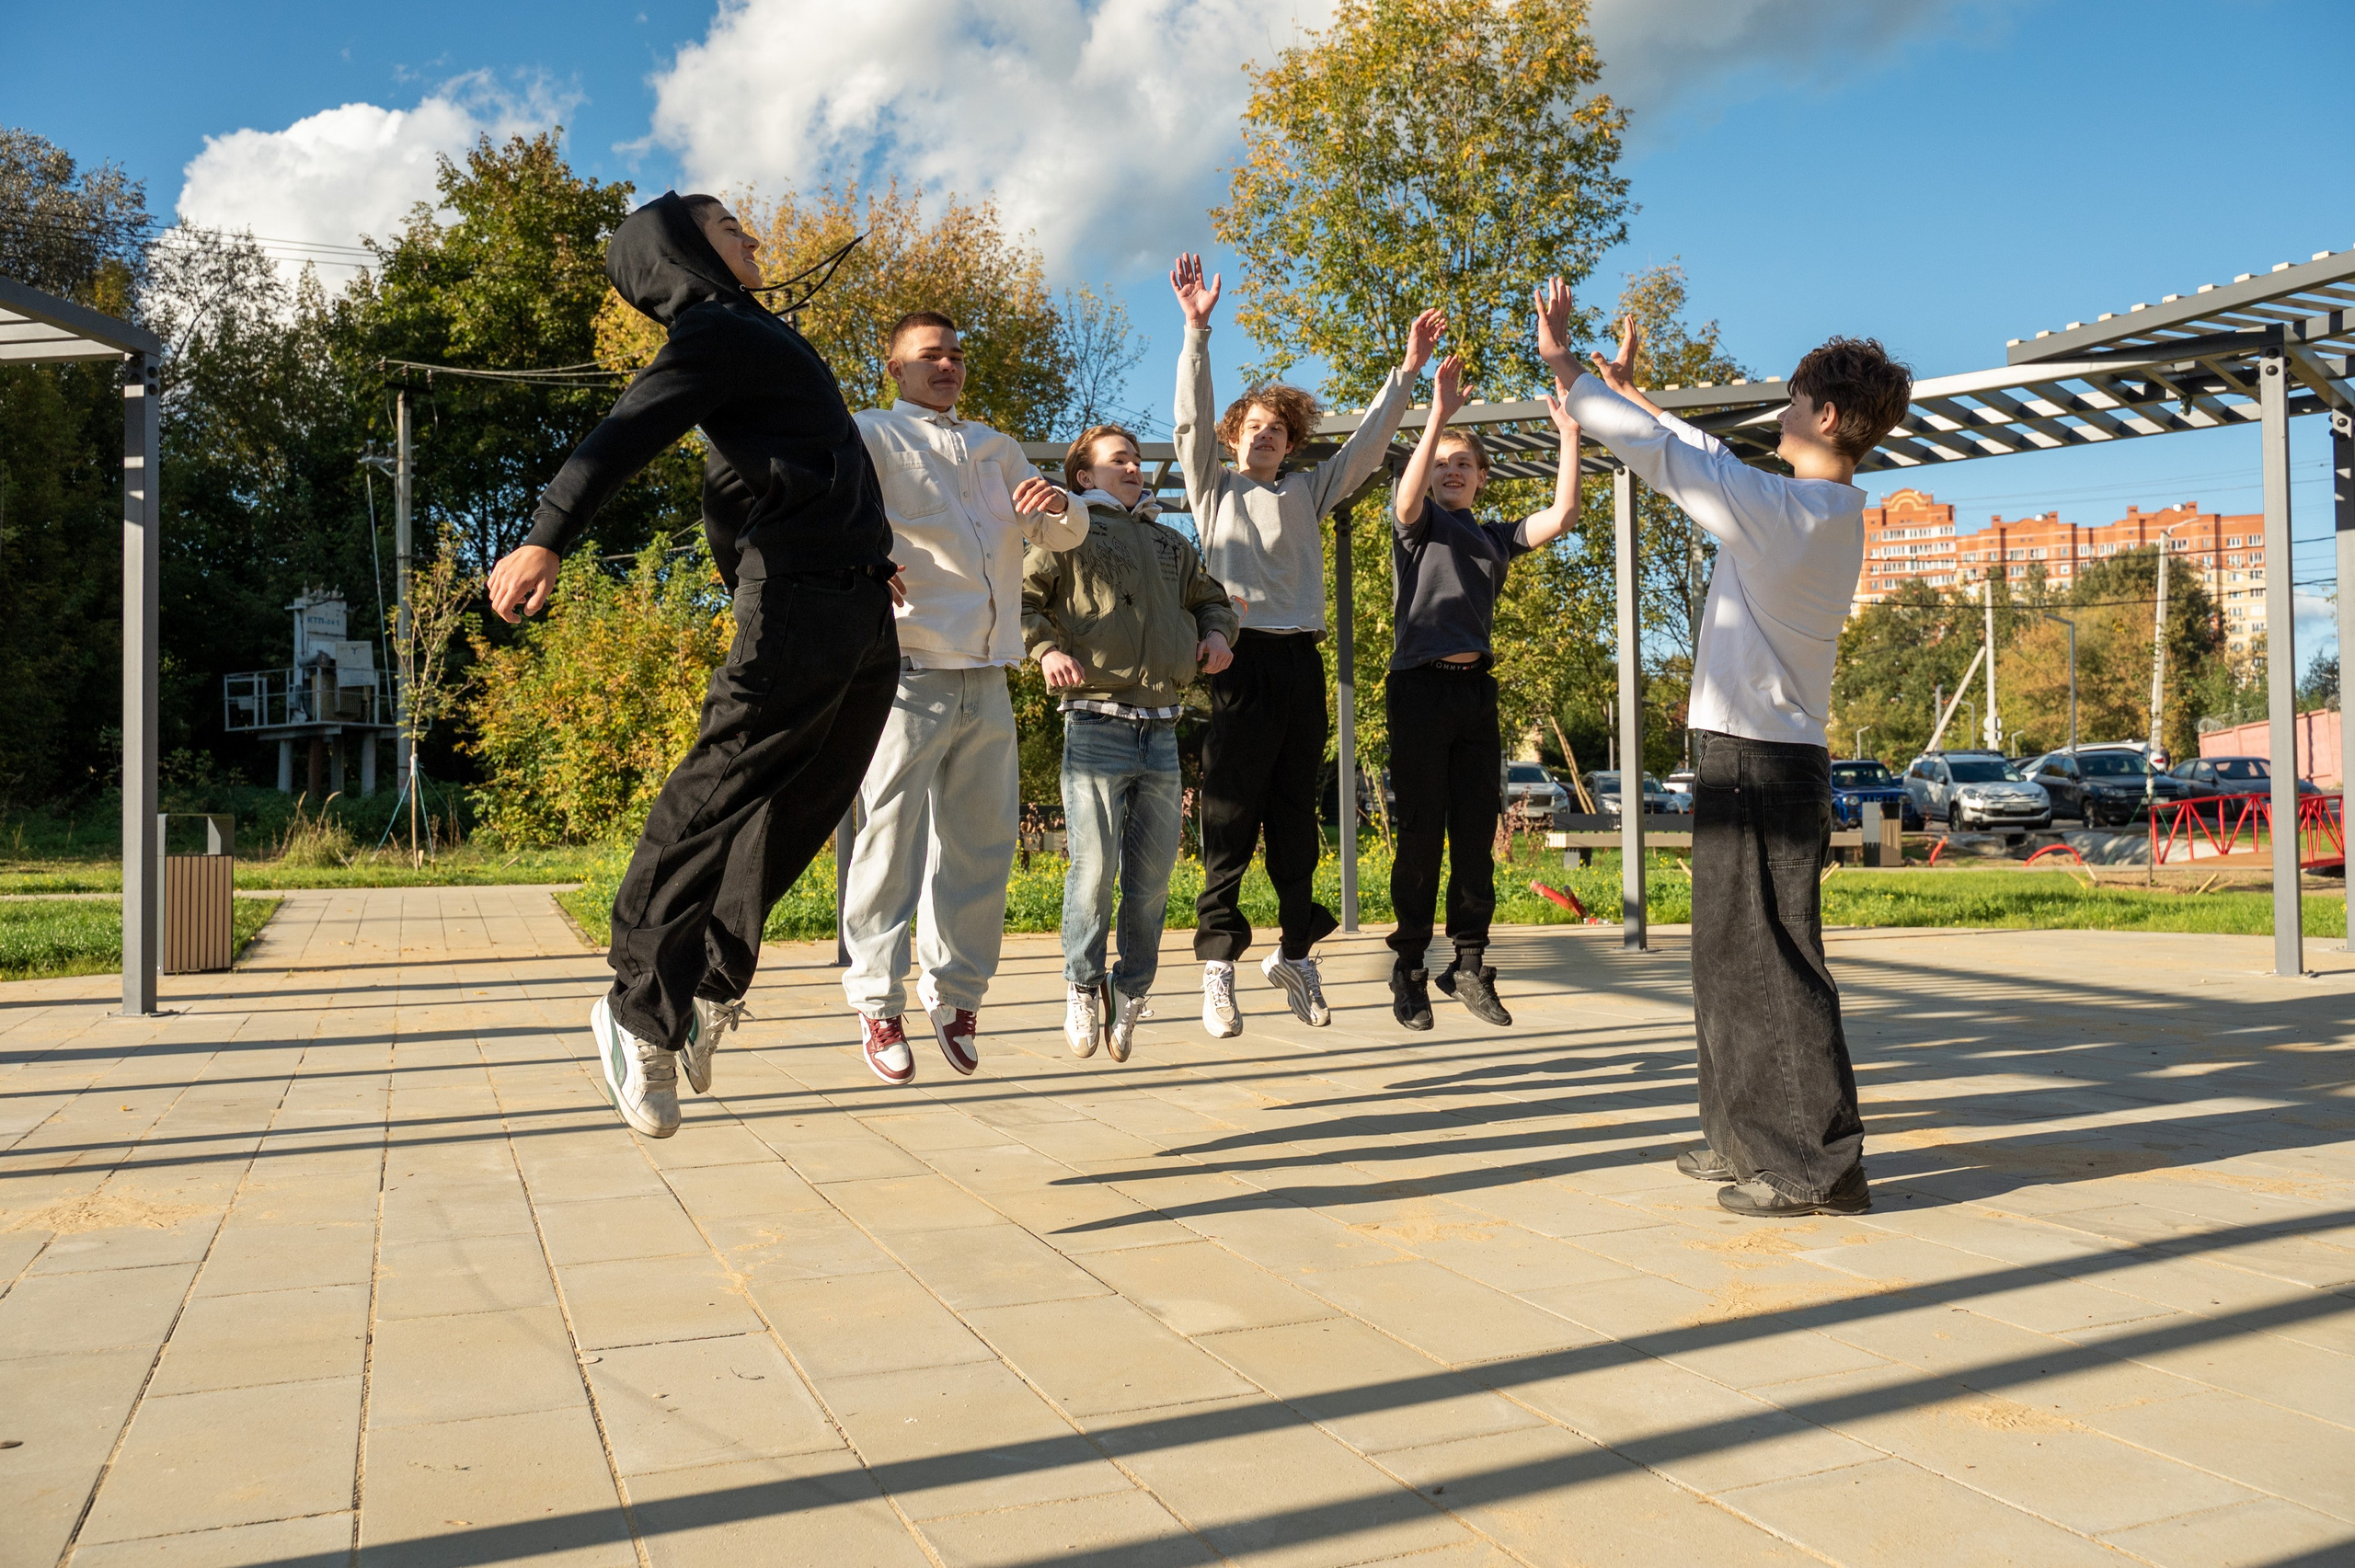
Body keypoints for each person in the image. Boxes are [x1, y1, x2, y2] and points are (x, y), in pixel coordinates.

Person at [485, 192, 900, 1140]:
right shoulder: (715, 329)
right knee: (721, 790)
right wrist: (547, 537)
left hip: (857, 603)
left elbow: (735, 485)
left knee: (809, 795)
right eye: (729, 229)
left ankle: (711, 986)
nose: (753, 240)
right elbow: (628, 429)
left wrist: (852, 544)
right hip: (801, 603)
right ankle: (636, 1008)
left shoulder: (759, 338)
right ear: (683, 251)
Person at [1535, 277, 1913, 1219]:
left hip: (1760, 760)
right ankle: (1744, 1140)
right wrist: (1621, 395)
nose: (1778, 415)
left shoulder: (1795, 517)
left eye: (1790, 402)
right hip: (1747, 753)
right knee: (1727, 959)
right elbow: (1699, 453)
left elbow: (1678, 464)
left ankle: (1814, 1169)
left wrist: (1567, 370)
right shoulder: (1807, 510)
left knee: (1769, 963)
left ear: (1824, 415)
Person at [1169, 251, 1443, 1036]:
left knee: (1295, 813)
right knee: (1230, 812)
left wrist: (1407, 371)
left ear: (1290, 445)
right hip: (1236, 657)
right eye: (1253, 429)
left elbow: (1362, 451)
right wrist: (1197, 330)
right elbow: (1190, 422)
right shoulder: (1212, 489)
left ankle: (1295, 949)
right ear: (1234, 440)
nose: (1265, 438)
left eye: (1277, 432)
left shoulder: (1305, 490)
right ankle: (1218, 964)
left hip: (1299, 662)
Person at [841, 312, 1086, 1085]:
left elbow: (1067, 537)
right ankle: (877, 999)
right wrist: (862, 567)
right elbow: (833, 514)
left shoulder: (997, 446)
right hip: (909, 664)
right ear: (895, 368)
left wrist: (1059, 508)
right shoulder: (872, 433)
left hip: (990, 668)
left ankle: (956, 993)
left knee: (981, 841)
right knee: (890, 836)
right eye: (929, 356)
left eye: (955, 354)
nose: (946, 365)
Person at [1024, 425, 1238, 1060]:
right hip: (1095, 725)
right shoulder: (1067, 531)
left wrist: (1219, 635)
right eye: (1119, 459)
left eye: (1138, 460)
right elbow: (1022, 598)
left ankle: (1133, 988)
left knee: (1151, 880)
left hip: (1164, 730)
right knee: (1094, 869)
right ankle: (1082, 985)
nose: (1134, 467)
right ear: (1084, 477)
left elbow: (1211, 600)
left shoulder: (1171, 542)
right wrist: (1046, 649)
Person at [1384, 355, 1581, 1032]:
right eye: (1442, 462)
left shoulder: (1494, 538)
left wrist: (1571, 434)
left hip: (1475, 694)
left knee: (1476, 836)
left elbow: (1560, 514)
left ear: (1481, 477)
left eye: (1463, 462)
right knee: (1420, 837)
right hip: (1417, 690)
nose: (1451, 470)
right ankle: (1409, 966)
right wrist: (1437, 414)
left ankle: (1466, 963)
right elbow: (1405, 499)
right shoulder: (1419, 527)